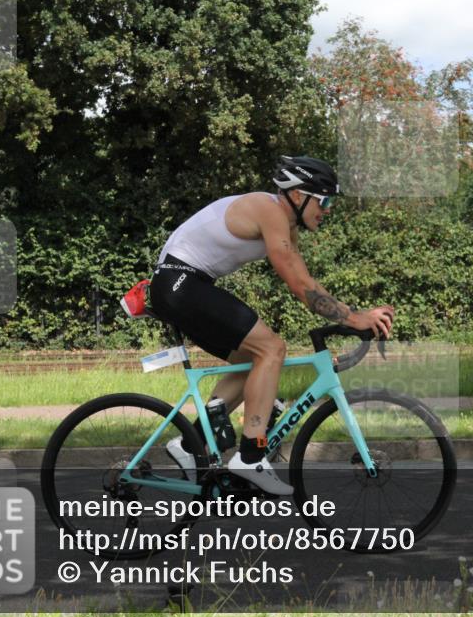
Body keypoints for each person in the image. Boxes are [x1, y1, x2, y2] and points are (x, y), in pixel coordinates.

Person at [149, 156, 394, 495]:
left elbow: (304, 282)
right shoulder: (270, 211)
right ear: (298, 195)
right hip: (180, 282)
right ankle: (251, 456)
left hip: (184, 284)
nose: (327, 210)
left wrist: (351, 315)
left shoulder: (285, 224)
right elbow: (299, 285)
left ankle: (192, 445)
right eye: (324, 201)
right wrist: (354, 318)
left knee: (253, 360)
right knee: (271, 348)